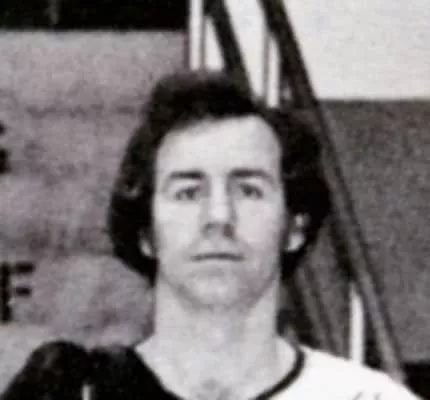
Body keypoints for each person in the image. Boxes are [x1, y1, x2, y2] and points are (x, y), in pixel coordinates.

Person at [1, 71, 419, 399]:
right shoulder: (79, 393)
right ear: (146, 232)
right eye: (188, 192)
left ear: (294, 228)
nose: (219, 216)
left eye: (248, 190)